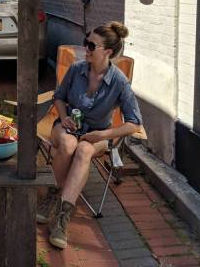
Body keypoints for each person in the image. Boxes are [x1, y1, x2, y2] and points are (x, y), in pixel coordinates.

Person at [37, 21, 142, 249]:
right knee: (68, 144)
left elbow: (133, 124)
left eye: (92, 46)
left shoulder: (119, 82)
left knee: (83, 150)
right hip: (66, 127)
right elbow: (59, 97)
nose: (86, 48)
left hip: (97, 134)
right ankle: (52, 196)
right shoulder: (76, 69)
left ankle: (62, 218)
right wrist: (64, 116)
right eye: (86, 42)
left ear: (108, 52)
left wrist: (102, 135)